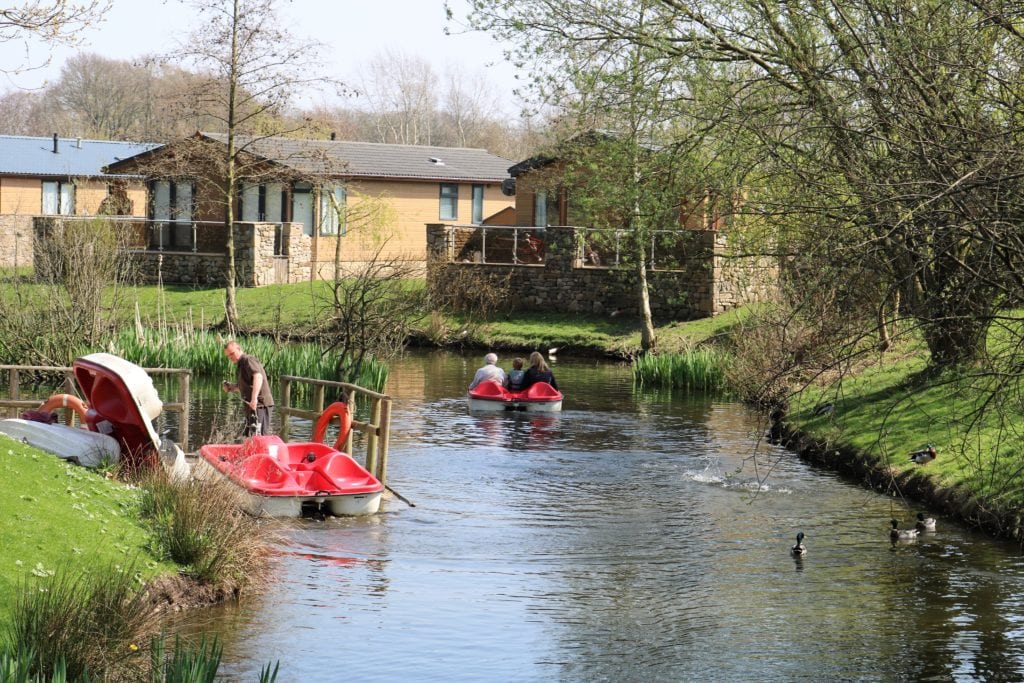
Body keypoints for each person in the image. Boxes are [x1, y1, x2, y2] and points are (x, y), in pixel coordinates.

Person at [223, 340, 274, 437]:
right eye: (228, 356)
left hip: (260, 404)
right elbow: (245, 386)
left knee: (259, 436)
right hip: (252, 405)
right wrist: (231, 387)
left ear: (239, 349)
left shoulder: (248, 360)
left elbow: (258, 377)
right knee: (249, 436)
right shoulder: (240, 364)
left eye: (232, 353)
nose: (230, 357)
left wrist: (254, 399)